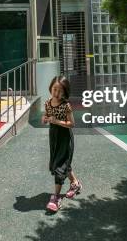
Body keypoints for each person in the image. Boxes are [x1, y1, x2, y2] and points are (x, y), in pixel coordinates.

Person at [42, 76, 82, 212]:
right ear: (50, 88)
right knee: (60, 163)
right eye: (54, 89)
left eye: (60, 91)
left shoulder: (66, 106)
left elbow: (72, 123)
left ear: (65, 92)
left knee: (60, 167)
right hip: (54, 137)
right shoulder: (47, 103)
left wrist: (57, 121)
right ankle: (75, 184)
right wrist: (45, 119)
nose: (56, 93)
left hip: (65, 137)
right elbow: (46, 115)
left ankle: (56, 197)